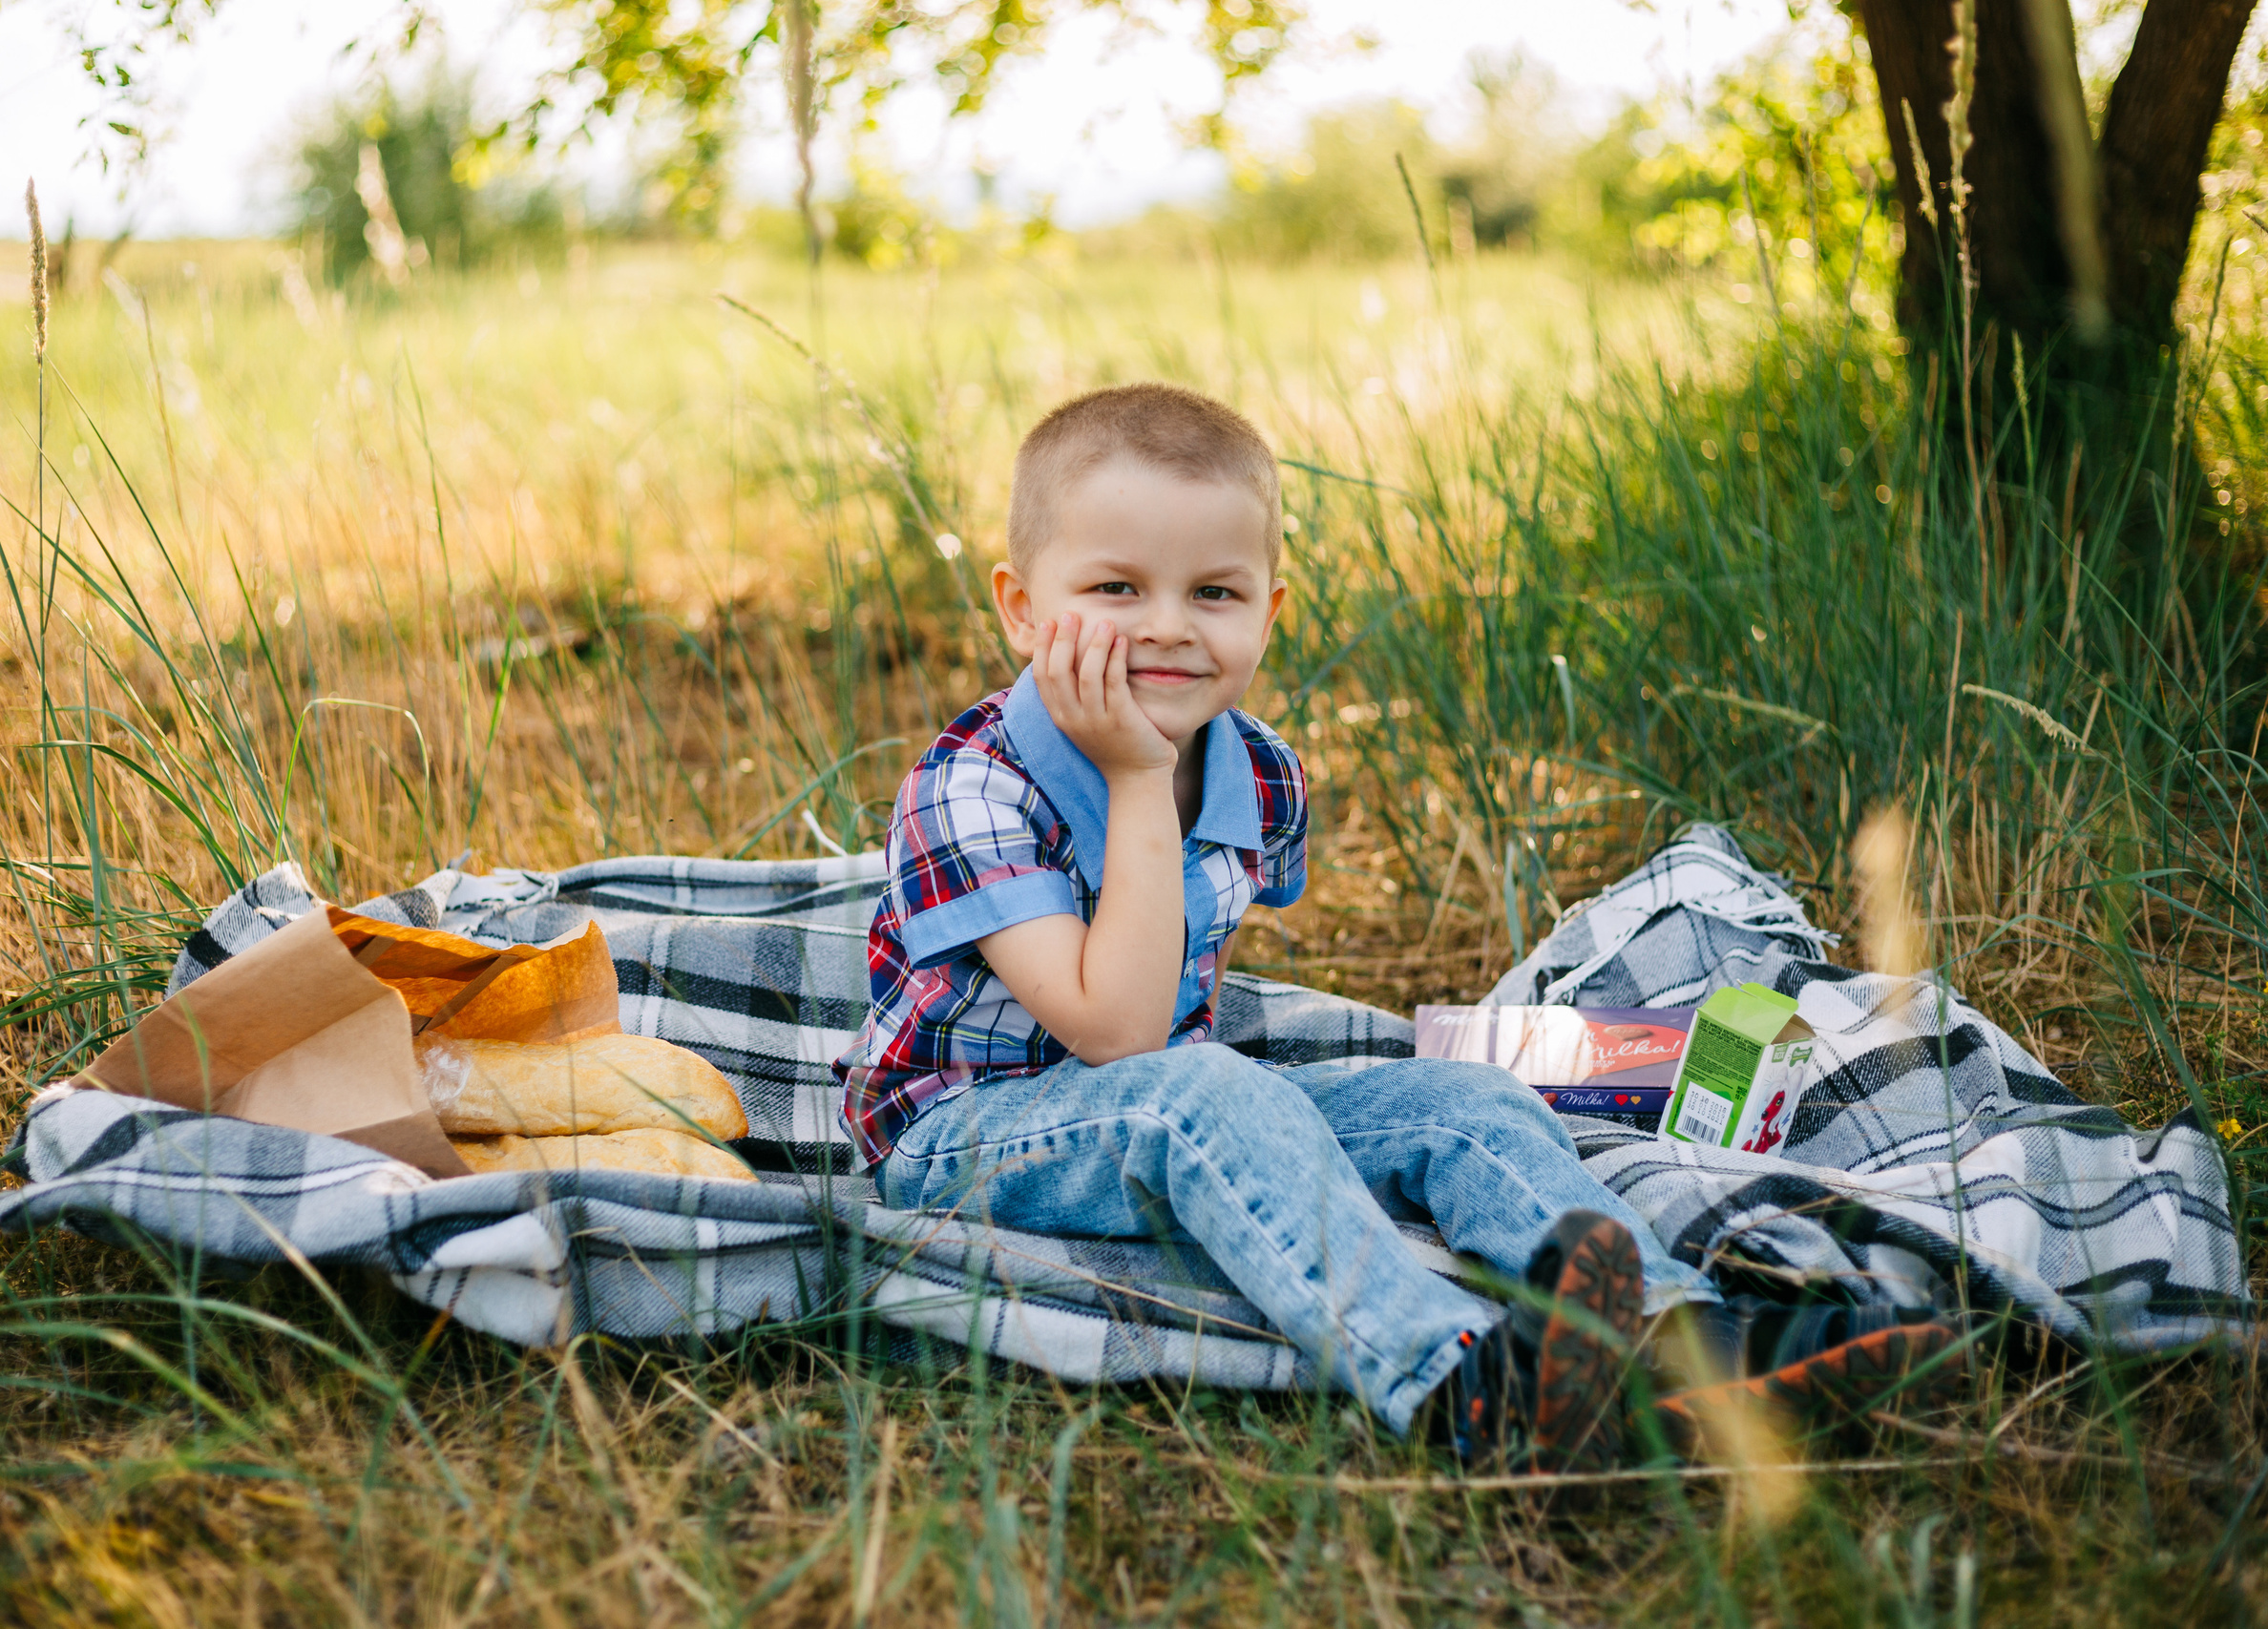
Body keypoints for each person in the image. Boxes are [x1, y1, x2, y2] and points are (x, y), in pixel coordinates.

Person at [833, 382, 1955, 1467]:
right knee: (1207, 1092)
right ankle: (1464, 1382)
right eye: (1116, 589)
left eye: (1213, 594)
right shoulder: (971, 789)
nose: (1166, 630)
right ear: (1022, 609)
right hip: (963, 1137)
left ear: (1269, 612)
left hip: (1166, 1097)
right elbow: (1118, 1036)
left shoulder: (1257, 770)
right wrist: (1134, 778)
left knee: (1456, 1100)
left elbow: (1171, 1048)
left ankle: (1682, 1339)